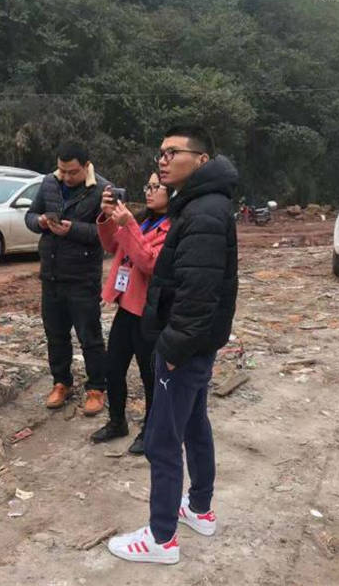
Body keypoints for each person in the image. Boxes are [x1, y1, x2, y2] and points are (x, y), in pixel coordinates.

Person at [107, 125, 238, 564]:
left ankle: (161, 538)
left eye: (172, 153)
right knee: (195, 424)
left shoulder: (203, 214)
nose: (162, 161)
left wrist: (173, 350)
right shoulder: (201, 204)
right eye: (160, 153)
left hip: (185, 346)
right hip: (196, 344)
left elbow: (198, 294)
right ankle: (199, 508)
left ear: (201, 160)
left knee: (163, 440)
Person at [25, 141, 110, 416]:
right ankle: (61, 383)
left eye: (72, 172)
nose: (66, 177)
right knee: (55, 335)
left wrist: (73, 230)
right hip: (51, 275)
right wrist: (39, 222)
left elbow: (107, 235)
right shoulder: (49, 183)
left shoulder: (102, 191)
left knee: (89, 337)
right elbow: (29, 215)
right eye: (62, 170)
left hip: (82, 278)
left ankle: (97, 388)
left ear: (86, 167)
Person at [90, 172, 171, 454]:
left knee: (150, 375)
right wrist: (108, 217)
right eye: (148, 186)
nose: (149, 191)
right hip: (126, 307)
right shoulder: (143, 219)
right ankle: (117, 421)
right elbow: (112, 246)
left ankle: (151, 429)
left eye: (157, 187)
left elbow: (150, 263)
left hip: (149, 312)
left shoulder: (172, 228)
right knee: (113, 368)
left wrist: (129, 225)